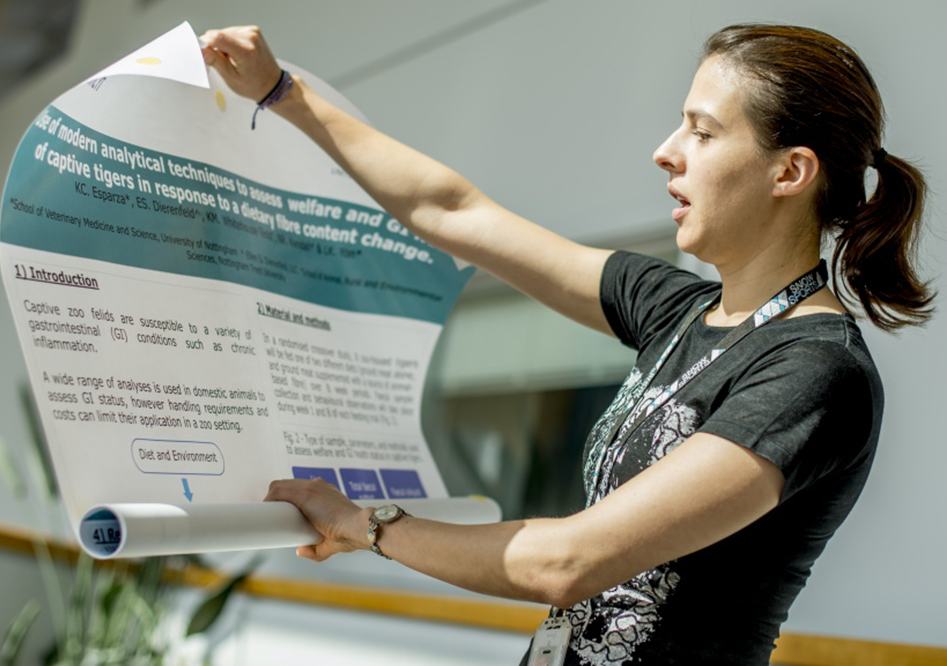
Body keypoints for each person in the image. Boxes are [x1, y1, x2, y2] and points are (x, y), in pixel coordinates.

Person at [201, 23, 934, 665]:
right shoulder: (676, 310)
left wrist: (363, 524)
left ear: (791, 171)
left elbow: (568, 561)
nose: (665, 152)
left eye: (703, 132)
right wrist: (284, 94)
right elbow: (451, 210)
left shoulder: (814, 369)